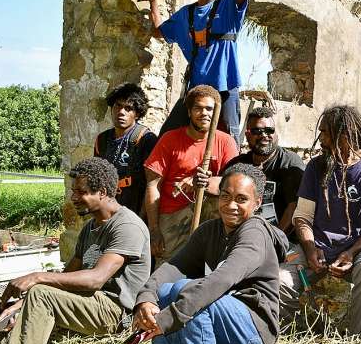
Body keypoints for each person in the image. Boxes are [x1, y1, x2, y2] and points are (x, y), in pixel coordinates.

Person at [133, 163, 287, 344]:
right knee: (164, 293)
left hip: (254, 328)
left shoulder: (255, 233)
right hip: (222, 314)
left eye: (241, 199)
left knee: (189, 292)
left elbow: (221, 280)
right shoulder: (210, 230)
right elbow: (174, 266)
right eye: (225, 196)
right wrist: (146, 297)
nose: (231, 205)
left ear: (257, 202)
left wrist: (171, 317)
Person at [0, 158, 151, 344]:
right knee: (27, 301)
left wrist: (36, 277)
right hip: (88, 302)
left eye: (81, 192)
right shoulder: (90, 227)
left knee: (41, 295)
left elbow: (96, 279)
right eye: (73, 191)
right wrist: (19, 305)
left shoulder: (127, 226)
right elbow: (66, 277)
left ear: (103, 192)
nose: (74, 198)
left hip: (115, 311)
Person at [128, 0, 278, 146]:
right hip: (195, 90)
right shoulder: (184, 16)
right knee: (166, 138)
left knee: (230, 144)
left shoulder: (227, 8)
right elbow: (159, 32)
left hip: (225, 90)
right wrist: (154, 0)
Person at [289, 105, 361, 335]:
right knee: (280, 279)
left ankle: (355, 336)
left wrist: (352, 253)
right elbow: (302, 217)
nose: (321, 139)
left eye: (325, 132)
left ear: (344, 135)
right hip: (317, 247)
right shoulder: (316, 166)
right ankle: (295, 331)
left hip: (357, 248)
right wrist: (310, 248)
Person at [223, 106, 306, 320]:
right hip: (244, 240)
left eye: (269, 131)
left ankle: (275, 324)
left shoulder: (290, 164)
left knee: (278, 281)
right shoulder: (237, 165)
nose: (264, 136)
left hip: (283, 241)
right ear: (247, 134)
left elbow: (293, 207)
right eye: (258, 131)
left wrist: (273, 239)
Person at [144, 85, 238, 266]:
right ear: (189, 112)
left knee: (208, 266)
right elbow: (152, 186)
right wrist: (154, 229)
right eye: (198, 108)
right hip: (173, 213)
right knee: (167, 268)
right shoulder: (169, 140)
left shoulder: (226, 142)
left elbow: (233, 183)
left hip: (210, 213)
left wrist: (206, 182)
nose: (204, 113)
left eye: (209, 109)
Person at [94, 83, 158, 215]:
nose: (121, 112)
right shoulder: (102, 139)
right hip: (107, 208)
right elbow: (96, 178)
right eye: (118, 105)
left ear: (137, 114)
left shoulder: (147, 139)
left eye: (128, 108)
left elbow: (151, 185)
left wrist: (142, 220)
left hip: (135, 208)